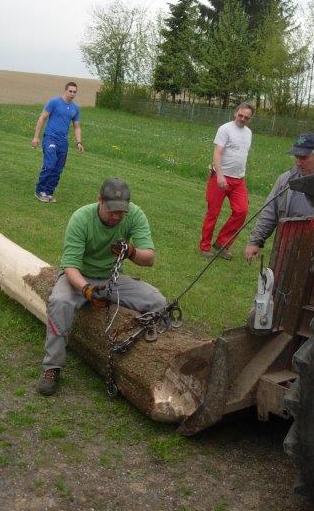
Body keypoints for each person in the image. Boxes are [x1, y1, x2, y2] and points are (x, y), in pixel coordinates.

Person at [36, 177, 167, 396]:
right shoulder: (81, 218)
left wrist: (131, 252)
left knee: (158, 301)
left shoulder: (135, 214)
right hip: (79, 276)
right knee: (60, 302)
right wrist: (86, 289)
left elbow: (149, 258)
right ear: (99, 200)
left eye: (121, 212)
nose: (116, 216)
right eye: (111, 211)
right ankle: (52, 367)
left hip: (111, 278)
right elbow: (70, 267)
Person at [245, 132, 314, 263]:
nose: (298, 163)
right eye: (296, 157)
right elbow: (270, 212)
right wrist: (255, 241)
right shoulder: (285, 180)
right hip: (290, 247)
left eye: (303, 158)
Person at [199, 102, 254, 260]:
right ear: (235, 112)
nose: (242, 119)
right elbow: (217, 153)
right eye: (240, 115)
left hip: (238, 180)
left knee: (242, 211)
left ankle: (222, 243)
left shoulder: (248, 133)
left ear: (250, 118)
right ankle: (205, 246)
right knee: (213, 213)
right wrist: (220, 175)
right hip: (219, 178)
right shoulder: (225, 129)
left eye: (246, 117)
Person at [31, 81, 83, 203]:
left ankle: (48, 192)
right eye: (70, 91)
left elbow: (77, 127)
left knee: (58, 168)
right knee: (50, 163)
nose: (72, 94)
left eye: (74, 92)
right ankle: (40, 191)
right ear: (65, 90)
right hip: (50, 137)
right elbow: (42, 118)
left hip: (63, 142)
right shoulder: (54, 102)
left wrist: (79, 142)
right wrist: (36, 137)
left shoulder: (75, 108)